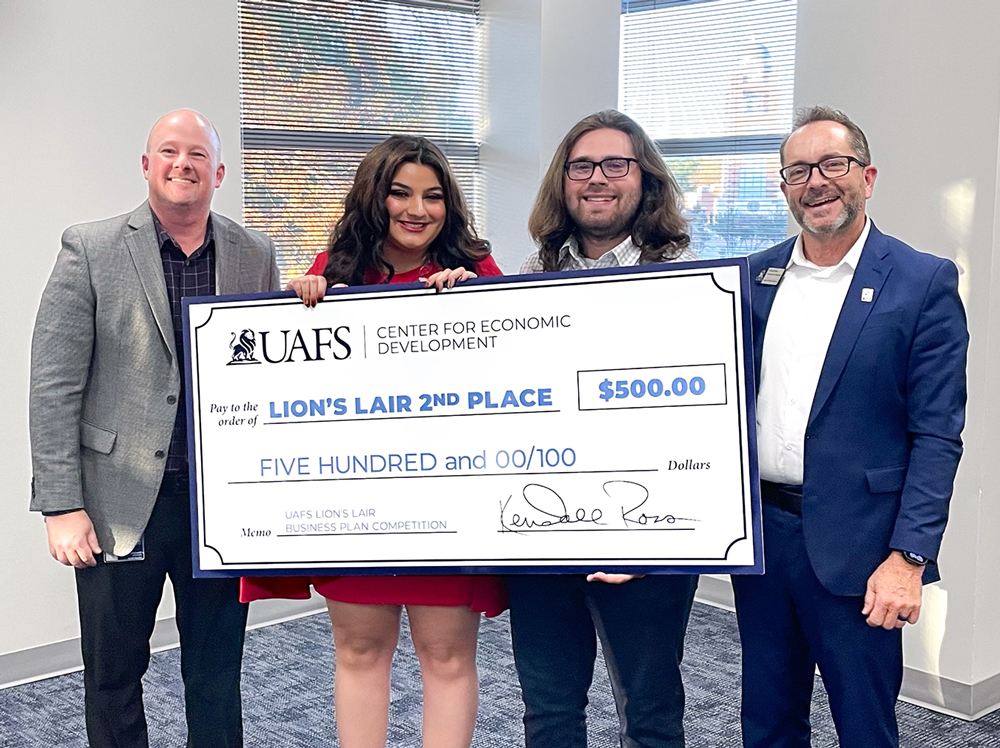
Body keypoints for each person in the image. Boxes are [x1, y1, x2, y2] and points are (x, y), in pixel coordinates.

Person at [240, 134, 507, 748]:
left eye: (434, 196)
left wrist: (475, 305)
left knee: (446, 659)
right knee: (359, 651)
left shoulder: (474, 269)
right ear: (373, 197)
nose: (418, 209)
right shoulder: (333, 270)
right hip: (358, 505)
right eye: (400, 193)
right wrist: (299, 304)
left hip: (449, 502)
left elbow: (512, 374)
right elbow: (288, 384)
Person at [29, 109, 281, 747]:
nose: (183, 164)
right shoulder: (89, 248)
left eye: (197, 155)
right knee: (114, 675)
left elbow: (271, 376)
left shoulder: (254, 253)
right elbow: (54, 385)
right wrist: (61, 505)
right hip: (118, 503)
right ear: (147, 165)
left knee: (217, 674)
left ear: (218, 172)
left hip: (218, 510)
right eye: (169, 151)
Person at [731, 106, 968, 748]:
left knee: (865, 728)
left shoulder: (922, 281)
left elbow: (938, 435)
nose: (816, 182)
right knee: (768, 722)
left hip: (863, 552)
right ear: (784, 188)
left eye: (832, 164)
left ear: (867, 176)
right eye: (798, 170)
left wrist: (909, 557)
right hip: (763, 542)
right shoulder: (753, 278)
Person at [512, 109, 700, 748]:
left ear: (643, 179)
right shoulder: (527, 279)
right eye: (582, 166)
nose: (598, 179)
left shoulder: (693, 281)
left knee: (648, 713)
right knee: (549, 709)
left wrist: (649, 539)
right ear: (563, 182)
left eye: (615, 164)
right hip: (542, 536)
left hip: (647, 543)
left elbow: (705, 426)